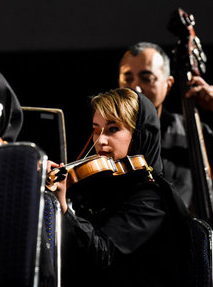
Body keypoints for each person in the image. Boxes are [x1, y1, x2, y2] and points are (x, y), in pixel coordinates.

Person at [47, 88, 191, 286]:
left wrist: (62, 206)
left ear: (141, 134)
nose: (100, 140)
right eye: (96, 129)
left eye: (112, 129)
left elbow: (101, 255)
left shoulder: (153, 199)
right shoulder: (104, 184)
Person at [118, 41, 213, 207]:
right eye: (127, 78)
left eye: (147, 79)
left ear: (168, 84)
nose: (135, 88)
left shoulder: (191, 131)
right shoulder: (103, 134)